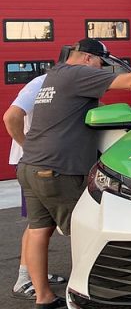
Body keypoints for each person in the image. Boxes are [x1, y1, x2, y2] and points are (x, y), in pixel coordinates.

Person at [18, 39, 131, 308]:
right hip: (59, 168)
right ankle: (87, 295)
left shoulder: (54, 75)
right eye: (100, 63)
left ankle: (43, 297)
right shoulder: (80, 73)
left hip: (31, 164)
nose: (100, 68)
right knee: (84, 230)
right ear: (89, 58)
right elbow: (129, 82)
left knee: (38, 230)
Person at [3, 74, 67, 299]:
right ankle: (23, 279)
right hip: (33, 163)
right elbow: (11, 116)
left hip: (43, 161)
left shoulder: (60, 82)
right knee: (37, 224)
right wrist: (28, 149)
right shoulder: (41, 82)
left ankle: (34, 272)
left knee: (43, 224)